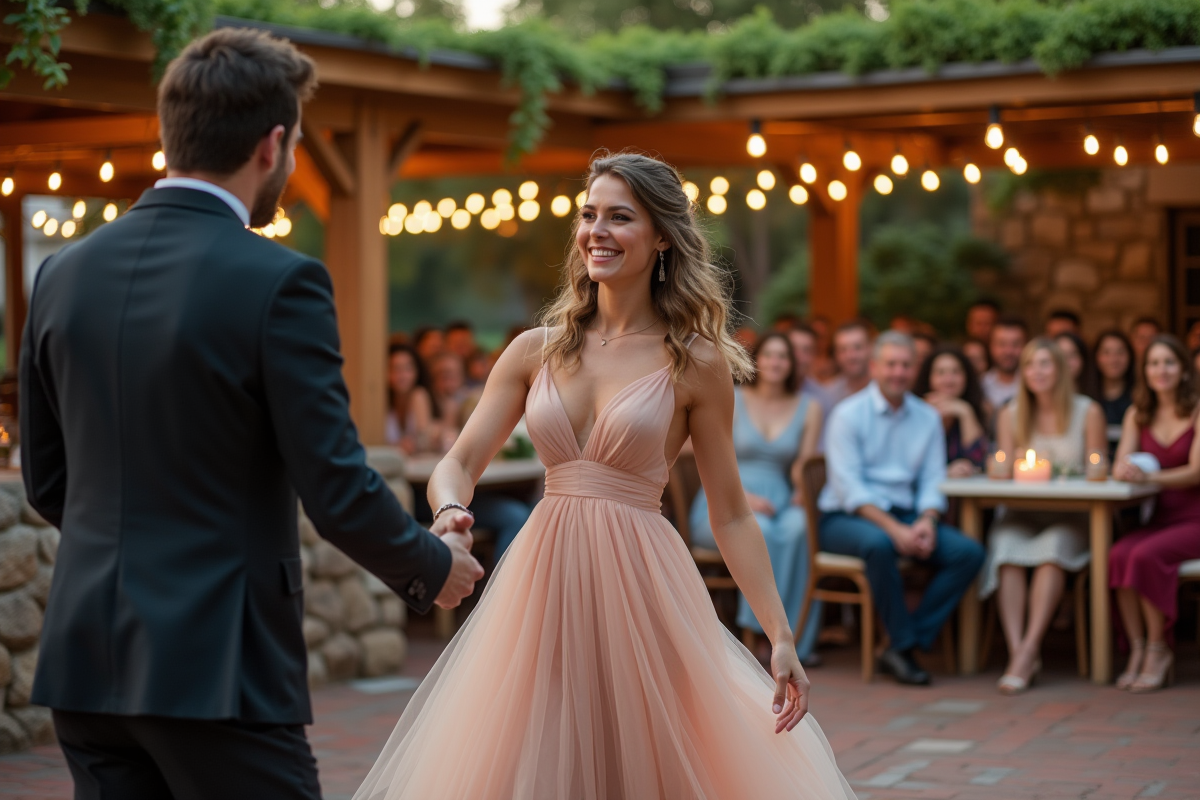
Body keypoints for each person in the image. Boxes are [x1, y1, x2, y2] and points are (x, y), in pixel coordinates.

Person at [18, 29, 484, 798]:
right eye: (298, 144)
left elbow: (47, 479)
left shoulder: (64, 274)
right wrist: (434, 568)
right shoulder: (281, 282)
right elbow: (335, 486)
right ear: (272, 145)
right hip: (216, 663)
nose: (295, 162)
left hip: (87, 659)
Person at [353, 153, 856, 799]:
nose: (597, 231)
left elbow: (729, 512)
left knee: (648, 755)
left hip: (642, 580)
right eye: (589, 215)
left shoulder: (695, 362)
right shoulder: (536, 349)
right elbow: (458, 461)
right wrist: (450, 510)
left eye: (620, 217)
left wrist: (781, 635)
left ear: (663, 236)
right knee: (536, 745)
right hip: (543, 573)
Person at [818, 331, 986, 687]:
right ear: (875, 367)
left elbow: (931, 479)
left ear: (915, 369)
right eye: (891, 364)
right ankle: (903, 645)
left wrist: (927, 519)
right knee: (879, 545)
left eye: (906, 365)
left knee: (968, 553)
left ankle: (901, 643)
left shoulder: (926, 417)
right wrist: (895, 530)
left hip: (907, 515)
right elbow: (850, 489)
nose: (898, 372)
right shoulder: (848, 415)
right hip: (845, 517)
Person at [689, 332, 825, 666]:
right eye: (770, 355)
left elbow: (802, 463)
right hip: (727, 495)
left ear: (792, 364)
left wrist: (799, 491)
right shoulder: (731, 396)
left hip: (780, 496)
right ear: (756, 359)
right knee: (758, 528)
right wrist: (744, 498)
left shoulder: (810, 408)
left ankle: (793, 636)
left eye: (784, 356)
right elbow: (702, 451)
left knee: (797, 529)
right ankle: (764, 634)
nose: (776, 362)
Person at [982, 338, 1106, 694]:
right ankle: (1018, 647)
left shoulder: (1088, 411)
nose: (1037, 371)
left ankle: (1027, 651)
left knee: (1051, 550)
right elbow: (1002, 467)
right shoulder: (1010, 412)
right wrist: (999, 466)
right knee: (1005, 548)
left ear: (1061, 370)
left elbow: (1098, 468)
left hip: (1073, 516)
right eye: (1030, 365)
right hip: (1023, 513)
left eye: (1045, 364)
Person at [1110, 335, 1200, 693]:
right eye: (1153, 363)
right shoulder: (1138, 413)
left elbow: (1196, 471)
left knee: (1146, 555)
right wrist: (1124, 471)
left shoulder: (1197, 410)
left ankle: (1159, 649)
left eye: (1168, 363)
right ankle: (1137, 648)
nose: (1160, 370)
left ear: (1183, 370)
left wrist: (1150, 477)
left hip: (1195, 519)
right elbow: (1122, 462)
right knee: (1117, 554)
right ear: (1144, 370)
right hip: (1159, 519)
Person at [914, 347, 989, 478]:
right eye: (940, 373)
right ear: (929, 377)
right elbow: (909, 466)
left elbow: (979, 463)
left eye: (956, 372)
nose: (949, 380)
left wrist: (965, 412)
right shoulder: (916, 412)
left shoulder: (973, 409)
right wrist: (944, 472)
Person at [1088, 330, 1136, 453]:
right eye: (1106, 353)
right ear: (1097, 357)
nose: (1113, 359)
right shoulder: (1086, 397)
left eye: (1120, 352)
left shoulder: (1140, 396)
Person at [813, 319, 872, 416]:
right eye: (843, 350)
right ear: (836, 354)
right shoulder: (828, 395)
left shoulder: (885, 390)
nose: (851, 356)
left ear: (870, 348)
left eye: (857, 347)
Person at [386, 343, 437, 454]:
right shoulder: (380, 400)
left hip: (416, 464)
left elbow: (423, 440)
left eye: (407, 368)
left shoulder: (419, 395)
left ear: (416, 371)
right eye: (395, 368)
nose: (402, 375)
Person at [982, 316, 1028, 414]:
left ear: (1026, 346)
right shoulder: (980, 386)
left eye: (1015, 344)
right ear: (991, 346)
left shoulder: (1037, 384)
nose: (1008, 351)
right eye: (1002, 344)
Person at [786, 321, 821, 395]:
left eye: (806, 350)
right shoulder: (760, 391)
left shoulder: (821, 398)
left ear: (814, 355)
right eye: (793, 348)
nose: (798, 356)